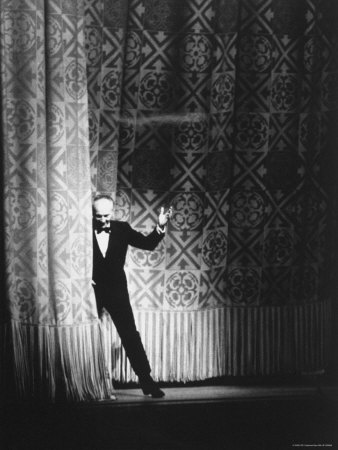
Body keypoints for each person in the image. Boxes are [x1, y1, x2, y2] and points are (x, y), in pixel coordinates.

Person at [92, 194, 172, 398]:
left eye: (106, 215)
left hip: (117, 289)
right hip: (90, 291)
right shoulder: (81, 227)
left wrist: (160, 226)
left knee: (129, 335)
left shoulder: (122, 228)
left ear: (113, 211)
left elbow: (148, 244)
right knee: (86, 336)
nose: (102, 220)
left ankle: (147, 381)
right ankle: (91, 384)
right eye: (98, 216)